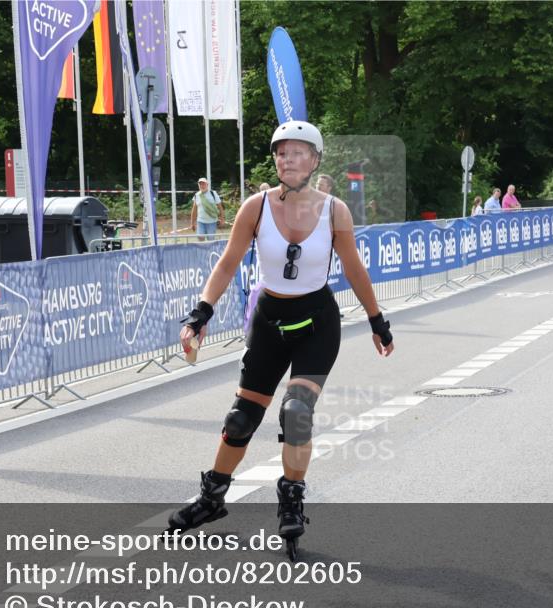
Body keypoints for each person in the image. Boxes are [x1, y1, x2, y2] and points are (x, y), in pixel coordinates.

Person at [169, 121, 395, 553]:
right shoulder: (255, 208)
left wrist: (377, 320)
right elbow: (228, 261)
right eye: (280, 153)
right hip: (269, 321)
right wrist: (201, 312)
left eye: (297, 152)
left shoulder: (335, 212)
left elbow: (353, 268)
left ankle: (291, 499)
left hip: (316, 323)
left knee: (296, 414)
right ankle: (211, 498)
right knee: (241, 419)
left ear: (315, 160)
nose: (287, 160)